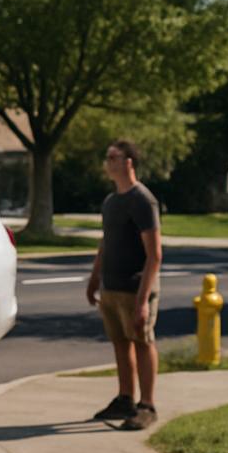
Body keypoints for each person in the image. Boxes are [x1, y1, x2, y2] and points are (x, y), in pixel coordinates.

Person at [84, 140, 162, 429]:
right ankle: (125, 398)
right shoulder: (111, 201)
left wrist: (143, 300)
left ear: (129, 162)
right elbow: (105, 243)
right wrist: (94, 278)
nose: (108, 162)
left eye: (113, 157)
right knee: (120, 343)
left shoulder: (143, 200)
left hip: (136, 287)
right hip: (112, 287)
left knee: (142, 342)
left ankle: (147, 405)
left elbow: (155, 254)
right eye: (107, 157)